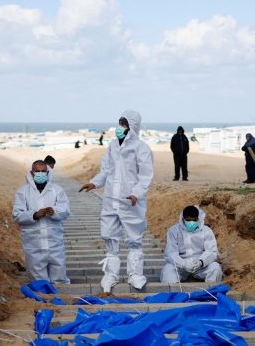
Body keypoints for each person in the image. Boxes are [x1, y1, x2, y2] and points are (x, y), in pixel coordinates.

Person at [80, 110, 154, 291]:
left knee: (134, 238)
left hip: (130, 201)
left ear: (132, 126)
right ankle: (111, 275)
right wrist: (95, 183)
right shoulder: (112, 145)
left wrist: (136, 193)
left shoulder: (141, 148)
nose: (120, 127)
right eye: (120, 123)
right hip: (110, 200)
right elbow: (106, 170)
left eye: (124, 124)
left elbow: (145, 176)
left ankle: (135, 275)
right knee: (109, 236)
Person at [13, 160, 70, 284]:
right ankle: (42, 294)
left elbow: (65, 211)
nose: (40, 174)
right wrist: (34, 215)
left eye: (43, 171)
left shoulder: (57, 190)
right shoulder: (23, 192)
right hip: (33, 243)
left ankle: (61, 292)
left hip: (54, 241)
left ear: (47, 172)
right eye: (37, 171)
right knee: (38, 281)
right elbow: (17, 215)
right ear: (31, 173)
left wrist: (54, 211)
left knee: (59, 276)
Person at [160, 205, 222, 283]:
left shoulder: (206, 231)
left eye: (194, 220)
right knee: (168, 270)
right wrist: (183, 264)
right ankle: (175, 290)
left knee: (215, 267)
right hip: (180, 267)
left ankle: (210, 289)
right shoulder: (173, 231)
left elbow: (212, 251)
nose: (191, 222)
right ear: (183, 219)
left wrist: (200, 262)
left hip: (200, 267)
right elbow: (171, 253)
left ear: (198, 219)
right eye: (188, 220)